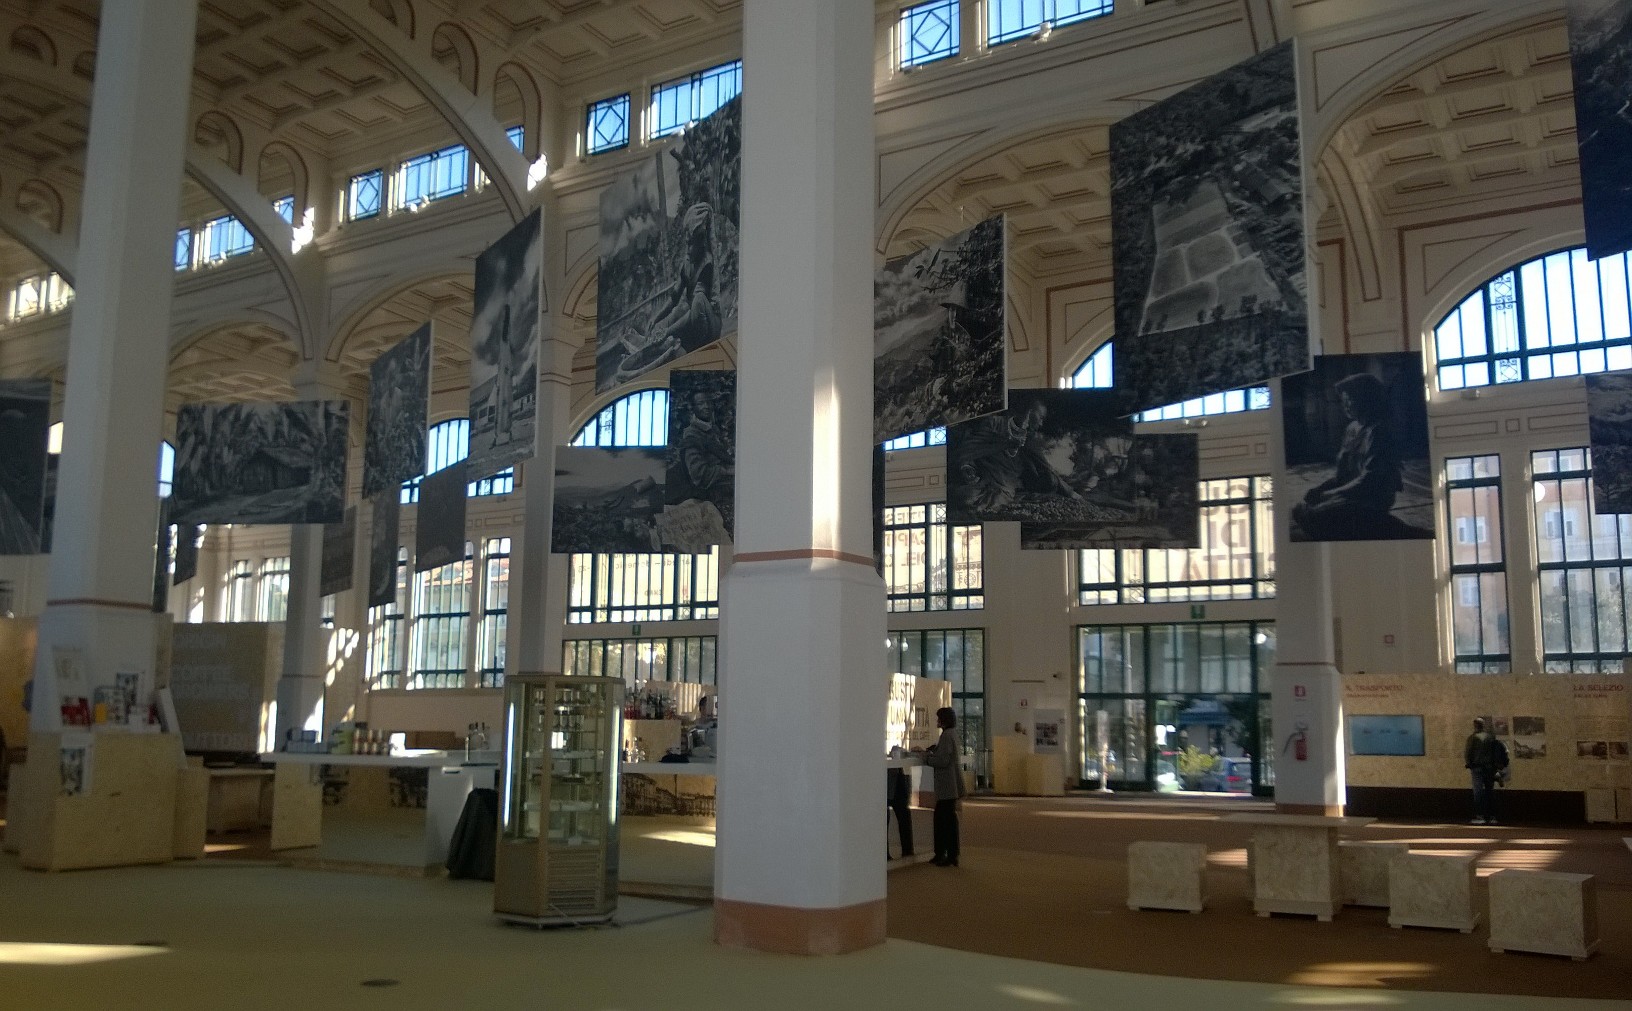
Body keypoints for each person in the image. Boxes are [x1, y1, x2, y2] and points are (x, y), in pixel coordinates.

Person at [1292, 372, 1407, 540]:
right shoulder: (1352, 429)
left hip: (1373, 497)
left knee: (1316, 517)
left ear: (1365, 400)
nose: (1345, 405)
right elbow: (1343, 475)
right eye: (1343, 401)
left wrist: (1330, 494)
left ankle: (1380, 523)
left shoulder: (1379, 431)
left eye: (1349, 400)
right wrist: (1321, 489)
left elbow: (1370, 480)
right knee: (1301, 509)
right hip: (1351, 492)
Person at [922, 707, 966, 866]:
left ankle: (943, 854)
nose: (937, 721)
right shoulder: (952, 734)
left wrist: (927, 759)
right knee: (949, 820)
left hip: (947, 784)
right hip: (951, 784)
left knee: (942, 821)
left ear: (943, 720)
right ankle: (951, 854)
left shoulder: (946, 735)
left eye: (938, 718)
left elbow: (943, 761)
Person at [1463, 717, 1508, 825]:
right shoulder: (1491, 737)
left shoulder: (1473, 738)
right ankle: (1492, 817)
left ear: (1475, 725)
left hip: (1477, 768)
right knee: (1489, 792)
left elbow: (1468, 753)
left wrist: (1469, 764)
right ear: (1483, 725)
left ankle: (1480, 816)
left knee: (1478, 792)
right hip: (1490, 769)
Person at [886, 747, 914, 860]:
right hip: (895, 788)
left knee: (902, 819)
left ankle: (906, 851)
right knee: (902, 819)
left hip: (895, 788)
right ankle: (906, 851)